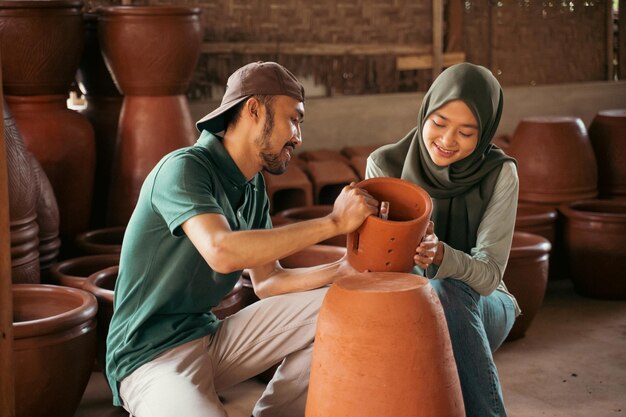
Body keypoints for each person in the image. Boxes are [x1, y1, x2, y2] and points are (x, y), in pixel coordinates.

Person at [105, 61, 379, 417]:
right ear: (253, 109)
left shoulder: (252, 188)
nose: (298, 136)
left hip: (210, 340)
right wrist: (333, 222)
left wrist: (340, 271)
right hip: (149, 358)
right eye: (293, 119)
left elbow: (269, 281)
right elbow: (220, 251)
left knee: (342, 306)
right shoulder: (184, 168)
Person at [366, 62, 519, 417]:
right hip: (407, 307)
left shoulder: (500, 173)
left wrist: (441, 257)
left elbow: (490, 275)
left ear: (485, 133)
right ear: (425, 112)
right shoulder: (384, 164)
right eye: (439, 123)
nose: (448, 141)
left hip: (484, 305)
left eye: (467, 133)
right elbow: (376, 269)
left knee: (447, 289)